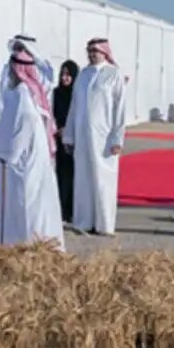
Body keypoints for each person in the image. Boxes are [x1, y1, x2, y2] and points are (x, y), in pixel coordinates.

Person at [0, 49, 63, 249]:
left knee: (27, 205)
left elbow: (26, 120)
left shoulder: (23, 92)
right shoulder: (19, 92)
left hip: (22, 161)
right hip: (20, 159)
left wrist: (11, 154)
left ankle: (28, 246)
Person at [62, 39, 126, 237]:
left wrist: (117, 138)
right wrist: (69, 136)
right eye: (89, 51)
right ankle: (84, 222)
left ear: (104, 53)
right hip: (82, 136)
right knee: (83, 179)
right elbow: (74, 107)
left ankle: (104, 224)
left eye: (94, 51)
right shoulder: (83, 74)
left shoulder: (113, 74)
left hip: (104, 138)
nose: (91, 54)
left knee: (103, 180)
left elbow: (120, 109)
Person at [0, 34, 53, 118]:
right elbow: (2, 100)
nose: (18, 53)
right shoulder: (8, 70)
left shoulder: (42, 72)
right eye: (16, 48)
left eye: (20, 48)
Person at [52, 60, 79, 223]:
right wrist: (58, 129)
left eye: (68, 75)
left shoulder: (78, 94)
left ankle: (72, 210)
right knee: (62, 174)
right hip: (59, 138)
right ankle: (62, 210)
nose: (64, 78)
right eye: (62, 74)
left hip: (74, 138)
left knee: (73, 174)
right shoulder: (56, 93)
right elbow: (53, 112)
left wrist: (69, 130)